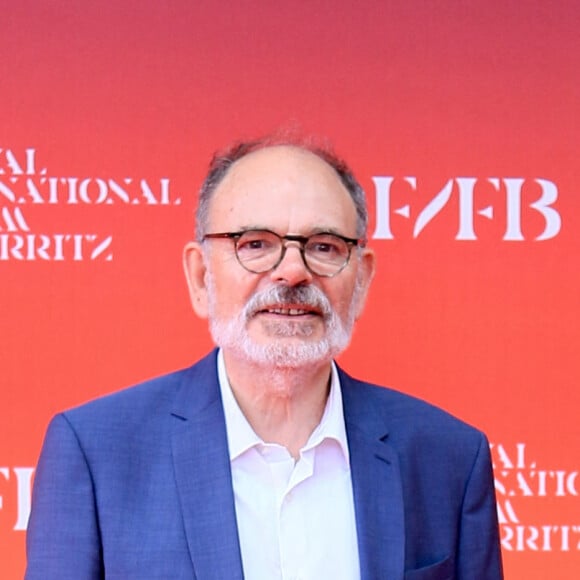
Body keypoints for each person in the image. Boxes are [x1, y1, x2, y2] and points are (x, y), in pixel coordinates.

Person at [26, 136, 503, 579]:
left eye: (323, 246)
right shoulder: (96, 454)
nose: (292, 271)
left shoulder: (449, 459)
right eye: (255, 244)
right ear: (199, 276)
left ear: (361, 280)